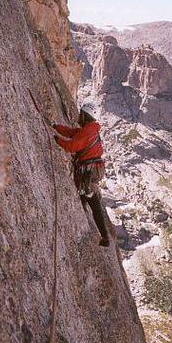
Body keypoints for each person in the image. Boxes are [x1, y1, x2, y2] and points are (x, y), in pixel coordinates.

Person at [51, 102, 115, 247]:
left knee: (92, 199)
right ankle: (85, 207)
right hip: (93, 168)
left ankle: (105, 237)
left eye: (81, 114)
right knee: (88, 196)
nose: (79, 116)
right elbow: (73, 133)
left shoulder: (88, 132)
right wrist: (56, 127)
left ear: (86, 116)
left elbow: (71, 146)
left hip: (89, 169)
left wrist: (56, 139)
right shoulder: (89, 130)